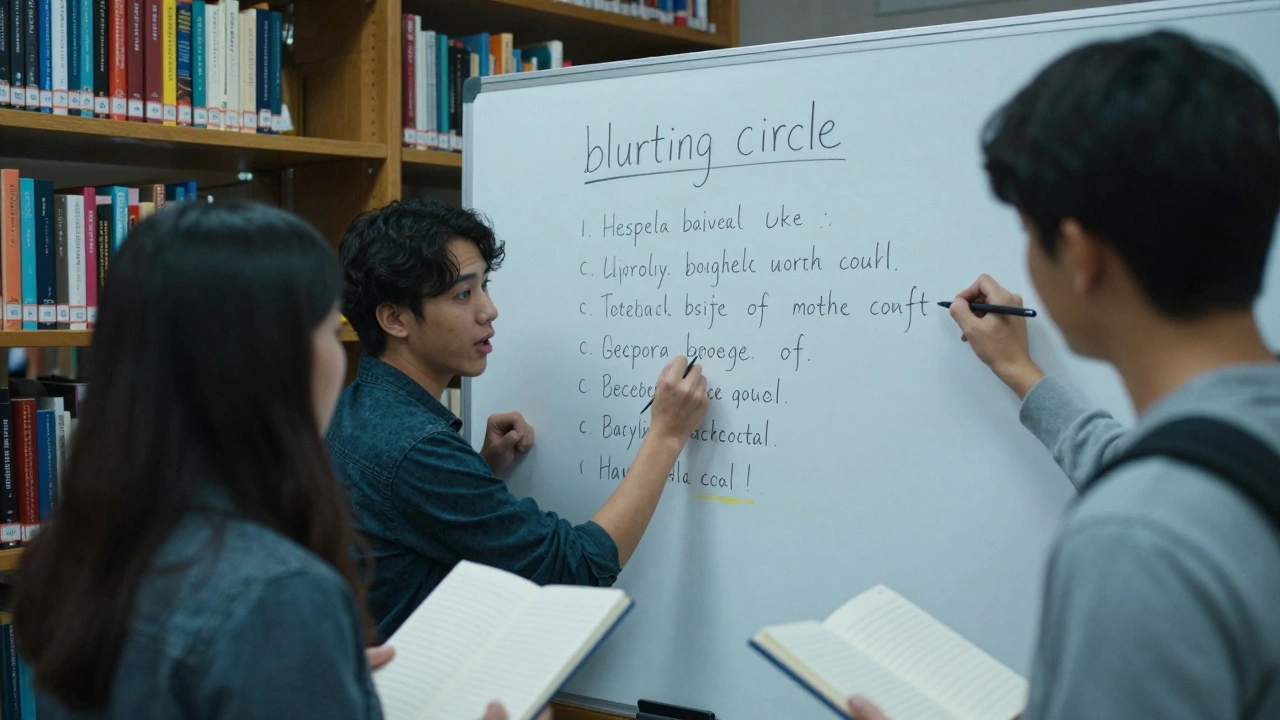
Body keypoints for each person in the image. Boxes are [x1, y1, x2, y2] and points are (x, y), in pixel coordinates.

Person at [849, 30, 1280, 720]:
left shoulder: (1135, 541)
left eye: (1028, 231)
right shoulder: (1218, 468)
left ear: (1080, 256)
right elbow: (1177, 477)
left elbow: (1156, 511)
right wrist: (1021, 371)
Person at [13, 201, 537, 720]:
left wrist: (313, 678)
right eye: (328, 331)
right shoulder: (276, 592)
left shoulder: (78, 554)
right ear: (269, 362)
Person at [329, 199, 710, 638]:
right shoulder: (416, 450)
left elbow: (401, 523)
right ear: (395, 319)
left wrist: (477, 470)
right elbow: (574, 570)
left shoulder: (355, 406)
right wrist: (666, 435)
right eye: (463, 294)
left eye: (485, 286)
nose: (488, 310)